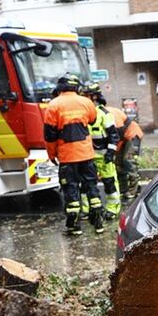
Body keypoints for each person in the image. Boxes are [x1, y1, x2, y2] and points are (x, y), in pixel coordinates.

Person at [43, 73, 103, 235]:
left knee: (71, 189)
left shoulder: (53, 105)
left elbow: (50, 135)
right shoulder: (86, 102)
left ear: (60, 87)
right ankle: (98, 221)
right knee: (91, 186)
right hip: (86, 154)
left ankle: (74, 226)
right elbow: (93, 120)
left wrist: (51, 154)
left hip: (67, 156)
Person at [82, 81, 121, 220]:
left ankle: (112, 209)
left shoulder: (104, 113)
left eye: (87, 95)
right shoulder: (82, 113)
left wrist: (110, 153)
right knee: (86, 184)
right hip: (88, 157)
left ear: (94, 96)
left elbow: (114, 135)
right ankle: (88, 210)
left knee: (109, 183)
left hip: (104, 156)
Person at [107, 102, 145, 199]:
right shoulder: (104, 114)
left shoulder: (111, 115)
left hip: (131, 134)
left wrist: (113, 151)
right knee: (118, 164)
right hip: (122, 138)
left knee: (128, 160)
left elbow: (118, 134)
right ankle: (123, 190)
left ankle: (134, 189)